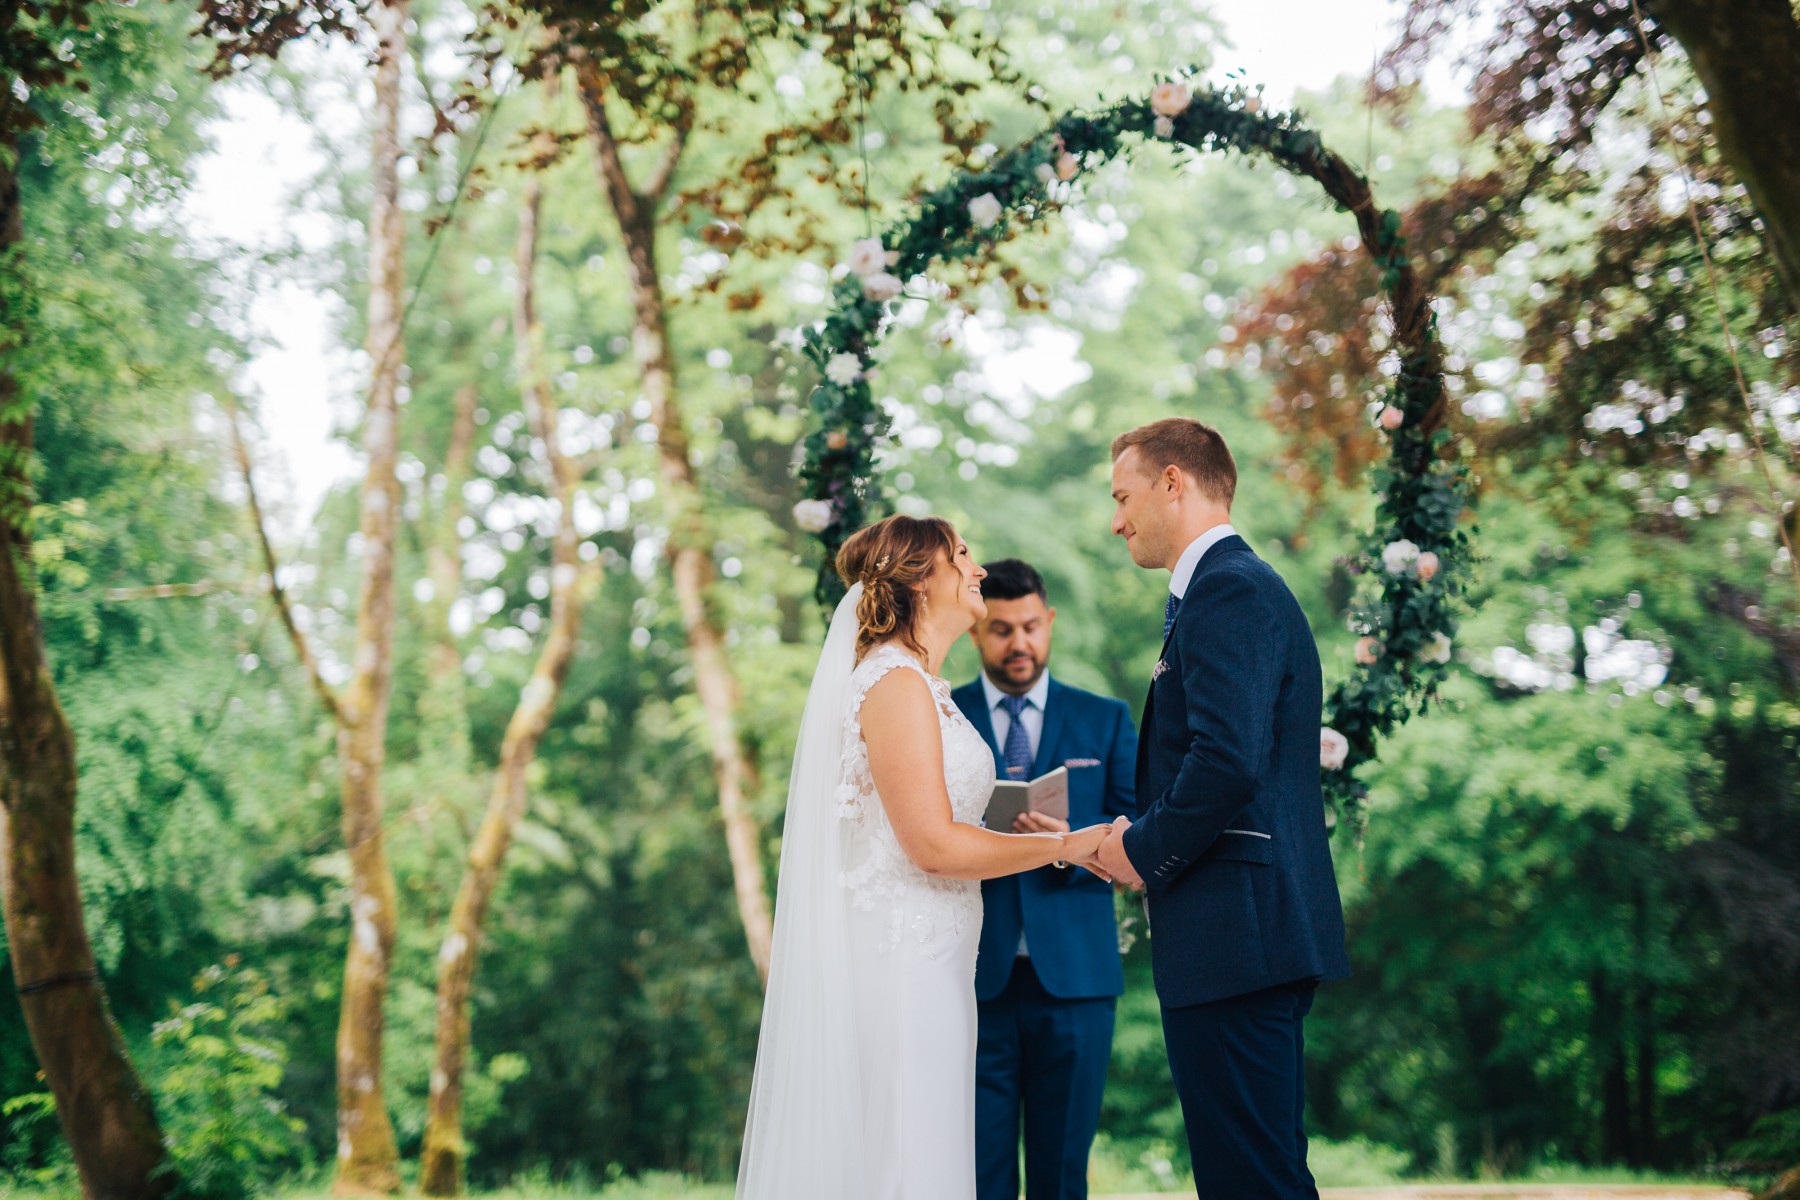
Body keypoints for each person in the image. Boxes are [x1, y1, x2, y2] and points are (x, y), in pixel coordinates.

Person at [736, 515, 1116, 1200]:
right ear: (920, 580)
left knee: (930, 1158)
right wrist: (1063, 844)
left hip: (939, 968)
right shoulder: (894, 685)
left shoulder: (922, 686)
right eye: (962, 556)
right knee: (906, 1161)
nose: (977, 570)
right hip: (902, 970)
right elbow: (933, 844)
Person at [1095, 418, 1351, 1199]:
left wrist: (1140, 850)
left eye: (1123, 496)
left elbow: (1227, 760)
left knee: (1253, 1179)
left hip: (1239, 935)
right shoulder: (1221, 590)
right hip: (1243, 934)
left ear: (1174, 482)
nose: (1116, 520)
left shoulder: (1229, 589)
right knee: (1254, 1171)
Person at [950, 559, 1137, 1200]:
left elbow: (1138, 828)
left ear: (1049, 621)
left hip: (1077, 981)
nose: (1019, 643)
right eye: (1001, 629)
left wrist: (1060, 844)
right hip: (973, 981)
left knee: (1062, 1176)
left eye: (1030, 626)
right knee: (979, 1174)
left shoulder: (1105, 718)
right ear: (977, 632)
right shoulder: (942, 715)